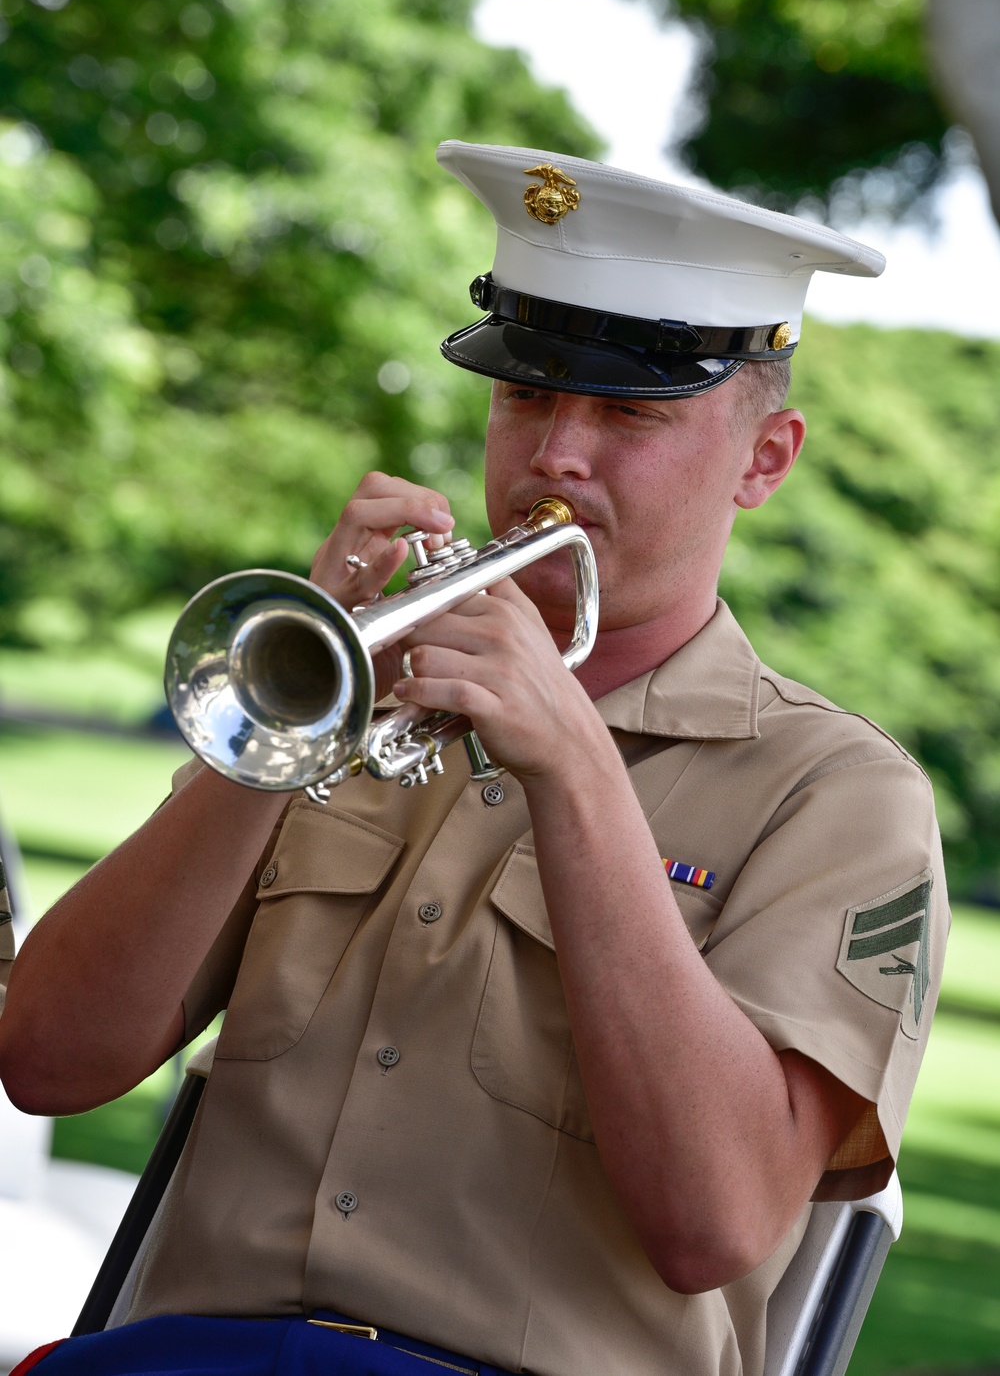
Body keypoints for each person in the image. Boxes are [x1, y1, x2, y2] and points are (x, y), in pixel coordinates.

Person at [0, 142, 947, 1376]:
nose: (556, 454)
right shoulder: (367, 685)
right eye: (527, 396)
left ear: (763, 460)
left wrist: (577, 772)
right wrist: (276, 724)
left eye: (629, 412)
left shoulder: (836, 792)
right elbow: (47, 1057)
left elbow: (712, 1221)